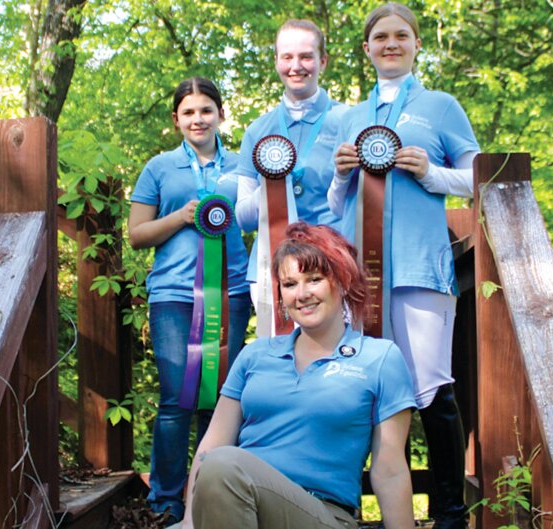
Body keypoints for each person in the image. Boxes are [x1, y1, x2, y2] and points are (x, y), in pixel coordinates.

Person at [330, 4, 480, 528]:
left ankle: (449, 515)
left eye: (401, 36)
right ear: (366, 48)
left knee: (431, 387)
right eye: (380, 37)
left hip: (420, 269)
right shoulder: (348, 116)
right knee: (354, 383)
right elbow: (332, 206)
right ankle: (341, 507)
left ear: (416, 44)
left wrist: (432, 173)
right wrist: (340, 174)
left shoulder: (441, 107)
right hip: (356, 277)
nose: (390, 44)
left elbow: (479, 177)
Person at [178, 222, 417, 529]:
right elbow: (211, 444)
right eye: (290, 284)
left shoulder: (380, 358)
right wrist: (188, 521)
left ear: (342, 281)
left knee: (223, 465)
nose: (302, 294)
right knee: (218, 465)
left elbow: (390, 470)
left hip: (323, 515)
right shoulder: (255, 355)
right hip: (236, 508)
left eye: (314, 280)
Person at [128, 77, 252, 524]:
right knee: (177, 397)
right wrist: (180, 218)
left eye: (206, 110)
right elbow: (138, 234)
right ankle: (164, 502)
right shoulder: (159, 168)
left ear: (220, 114)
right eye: (188, 112)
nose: (198, 119)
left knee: (219, 399)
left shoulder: (244, 166)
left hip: (232, 293)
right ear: (176, 119)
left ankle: (207, 502)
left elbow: (261, 219)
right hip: (172, 296)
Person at [235, 19, 347, 333]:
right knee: (281, 363)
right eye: (287, 57)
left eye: (306, 56)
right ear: (276, 62)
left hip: (332, 265)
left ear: (323, 61)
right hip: (272, 270)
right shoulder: (258, 130)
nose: (296, 66)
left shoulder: (347, 120)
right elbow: (243, 217)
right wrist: (273, 184)